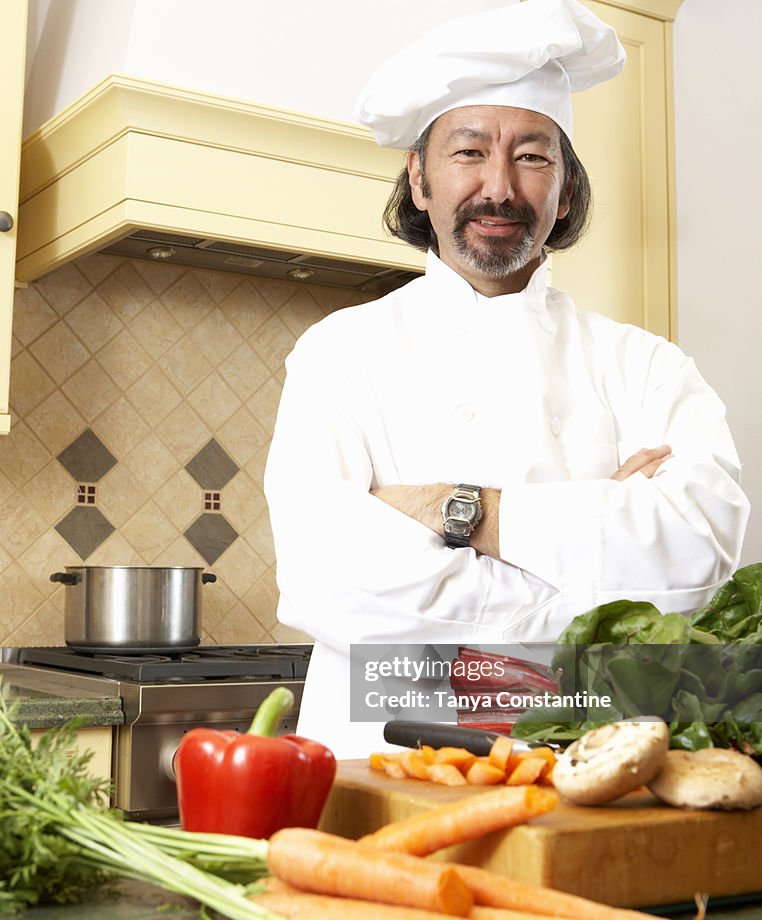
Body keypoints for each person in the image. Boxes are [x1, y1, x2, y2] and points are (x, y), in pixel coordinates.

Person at [264, 0, 750, 758]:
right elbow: (329, 583)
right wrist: (592, 569)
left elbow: (699, 559)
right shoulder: (339, 353)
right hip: (381, 766)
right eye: (468, 153)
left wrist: (464, 515)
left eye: (532, 156)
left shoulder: (647, 364)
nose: (500, 187)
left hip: (596, 770)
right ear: (419, 181)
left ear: (563, 194)